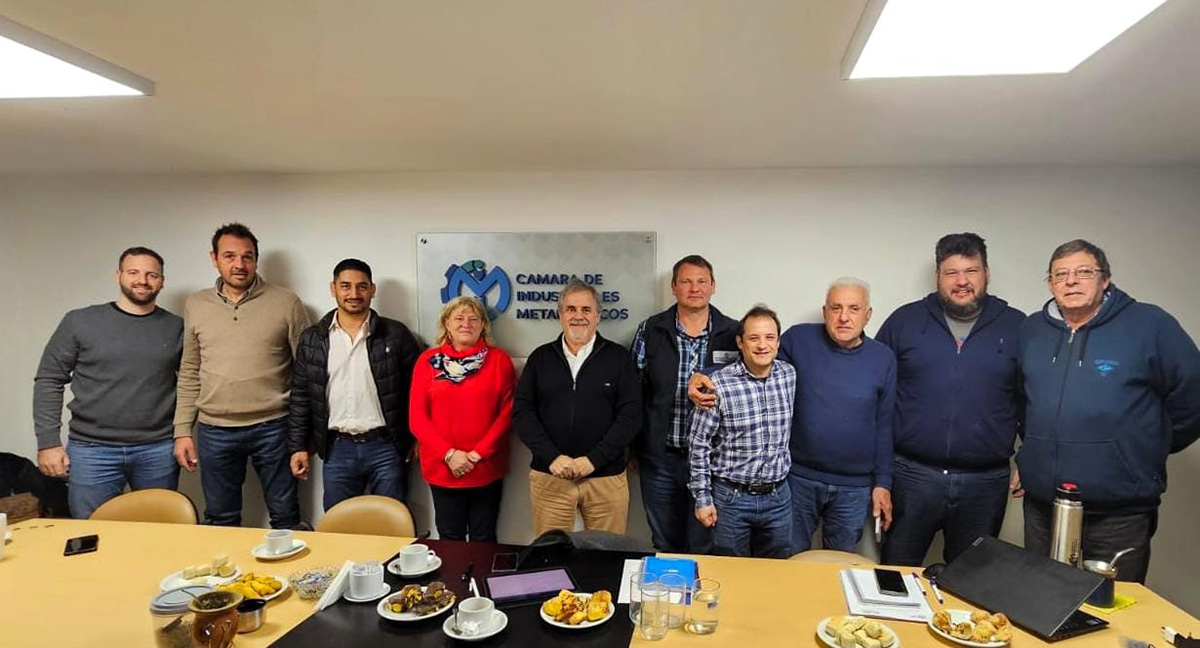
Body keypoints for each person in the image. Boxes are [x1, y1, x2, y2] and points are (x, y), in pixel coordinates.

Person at [1015, 239, 1200, 583]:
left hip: (1118, 514)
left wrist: (1149, 444)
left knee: (1110, 608)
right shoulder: (1031, 331)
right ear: (1050, 284)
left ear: (1105, 279)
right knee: (1041, 600)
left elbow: (1193, 396)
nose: (1071, 281)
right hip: (1044, 507)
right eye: (1060, 274)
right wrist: (1034, 453)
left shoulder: (1150, 326)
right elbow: (1024, 401)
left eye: (1084, 272)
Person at [691, 278, 896, 555]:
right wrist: (701, 376)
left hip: (854, 487)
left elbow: (884, 425)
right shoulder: (799, 340)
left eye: (854, 308)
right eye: (836, 308)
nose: (844, 317)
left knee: (840, 562)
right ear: (824, 311)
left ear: (868, 314)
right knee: (789, 560)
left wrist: (883, 483)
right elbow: (756, 362)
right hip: (798, 480)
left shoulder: (883, 358)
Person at [876, 233, 1024, 566]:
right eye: (951, 272)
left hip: (985, 483)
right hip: (912, 476)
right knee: (896, 574)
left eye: (971, 271)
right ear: (938, 276)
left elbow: (1034, 398)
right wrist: (878, 475)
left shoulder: (1018, 327)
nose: (961, 281)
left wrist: (1031, 455)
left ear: (986, 273)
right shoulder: (904, 321)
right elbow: (876, 396)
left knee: (971, 581)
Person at [173, 223, 311, 528]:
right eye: (230, 256)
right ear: (214, 258)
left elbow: (305, 372)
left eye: (247, 257)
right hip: (215, 429)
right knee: (220, 519)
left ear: (256, 260)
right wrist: (182, 430)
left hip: (274, 427)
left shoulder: (286, 302)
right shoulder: (196, 304)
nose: (239, 264)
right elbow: (190, 370)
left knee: (286, 516)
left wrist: (303, 436)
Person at [33, 247, 183, 519]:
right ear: (118, 275)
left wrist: (184, 434)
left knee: (158, 531)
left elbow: (191, 383)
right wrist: (48, 443)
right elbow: (49, 379)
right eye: (133, 272)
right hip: (92, 450)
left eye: (152, 275)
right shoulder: (80, 321)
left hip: (157, 449)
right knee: (92, 531)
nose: (142, 280)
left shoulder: (176, 327)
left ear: (162, 281)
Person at [287, 259, 422, 511]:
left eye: (362, 286)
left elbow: (418, 390)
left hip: (386, 447)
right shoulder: (313, 339)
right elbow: (301, 396)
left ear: (372, 289)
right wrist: (298, 447)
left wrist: (417, 438)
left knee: (392, 523)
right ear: (333, 288)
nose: (354, 294)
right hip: (337, 449)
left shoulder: (395, 334)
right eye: (345, 286)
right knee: (339, 524)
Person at [514, 277, 641, 535]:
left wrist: (594, 460)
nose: (578, 316)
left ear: (598, 317)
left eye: (586, 310)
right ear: (560, 315)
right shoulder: (540, 358)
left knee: (606, 552)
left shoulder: (618, 358)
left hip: (605, 478)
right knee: (551, 553)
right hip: (551, 476)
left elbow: (631, 416)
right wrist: (552, 457)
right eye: (571, 309)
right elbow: (522, 413)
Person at [631, 254, 739, 553]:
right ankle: (667, 586)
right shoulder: (651, 330)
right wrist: (634, 448)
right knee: (665, 542)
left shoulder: (733, 333)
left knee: (705, 543)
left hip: (713, 461)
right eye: (686, 281)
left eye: (702, 281)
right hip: (661, 459)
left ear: (713, 286)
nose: (694, 288)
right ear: (674, 287)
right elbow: (634, 393)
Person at [688, 305, 795, 558]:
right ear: (740, 342)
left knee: (776, 571)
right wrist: (703, 499)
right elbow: (699, 445)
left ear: (778, 342)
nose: (762, 345)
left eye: (769, 337)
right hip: (731, 499)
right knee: (730, 571)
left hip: (778, 498)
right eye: (754, 338)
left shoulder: (789, 375)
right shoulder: (717, 385)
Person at [409, 296, 515, 541]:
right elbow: (417, 417)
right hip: (443, 468)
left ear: (483, 326)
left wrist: (477, 455)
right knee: (450, 538)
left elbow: (508, 413)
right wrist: (449, 454)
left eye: (473, 319)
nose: (466, 324)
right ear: (446, 323)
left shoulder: (499, 361)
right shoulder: (428, 361)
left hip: (485, 468)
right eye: (458, 318)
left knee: (484, 538)